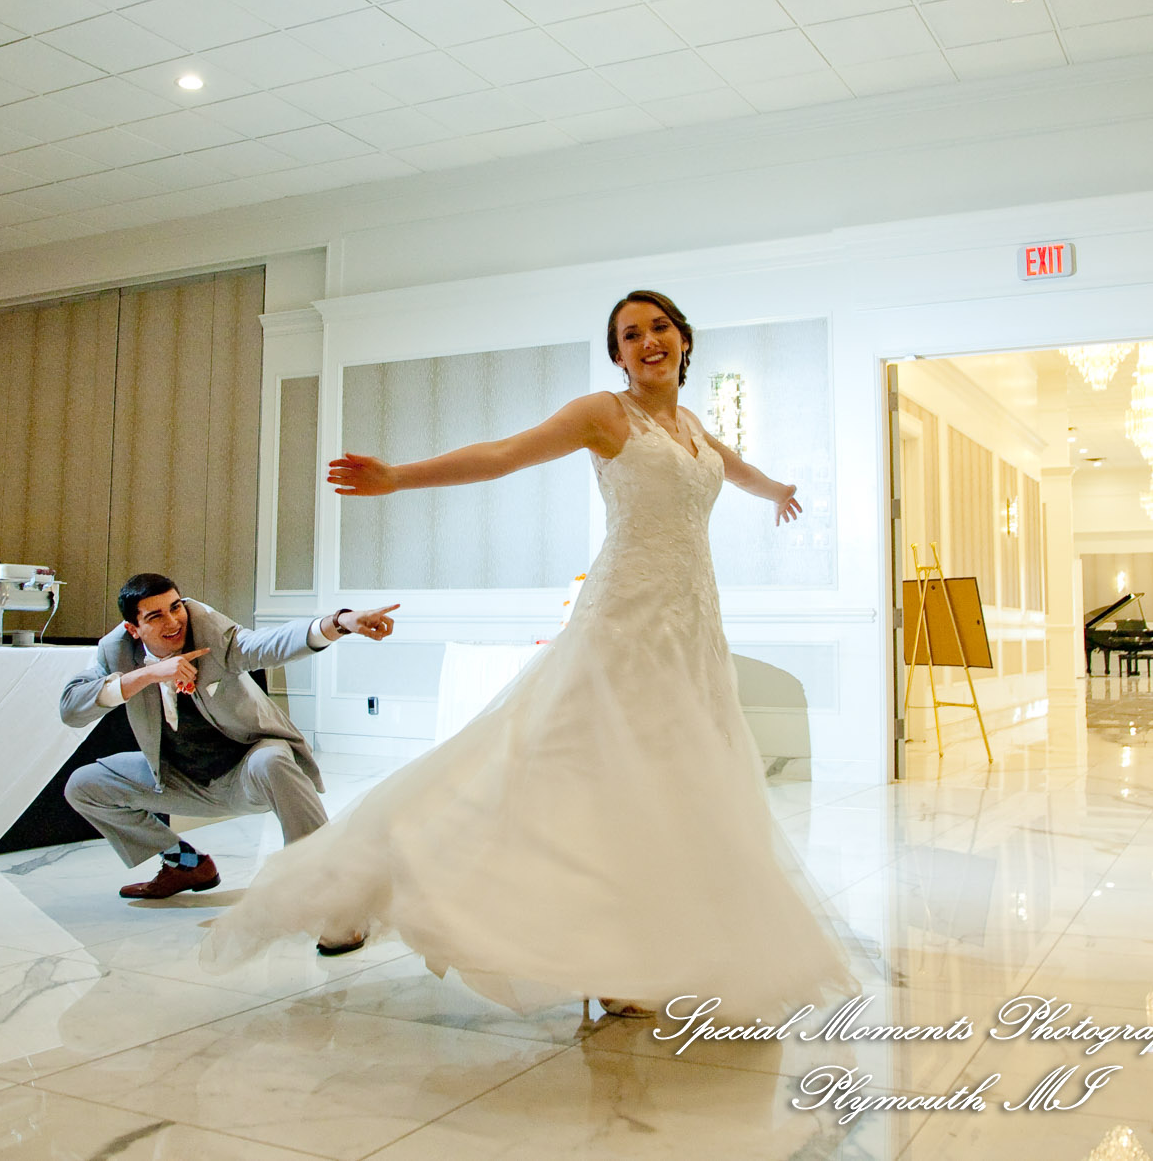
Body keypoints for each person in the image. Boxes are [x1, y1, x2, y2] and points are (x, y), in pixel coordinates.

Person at [207, 291, 851, 1018]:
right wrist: (396, 476)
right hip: (625, 623)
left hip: (692, 631)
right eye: (630, 335)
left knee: (671, 788)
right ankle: (565, 946)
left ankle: (645, 948)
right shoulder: (605, 414)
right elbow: (503, 455)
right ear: (617, 355)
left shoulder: (696, 428)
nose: (649, 342)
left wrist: (779, 491)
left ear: (684, 339)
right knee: (588, 779)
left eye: (660, 328)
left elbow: (732, 469)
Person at [61, 572, 398, 922]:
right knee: (84, 785)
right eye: (155, 616)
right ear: (134, 629)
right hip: (179, 778)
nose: (173, 620)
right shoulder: (114, 651)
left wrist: (339, 622)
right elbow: (71, 708)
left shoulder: (209, 631)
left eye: (176, 607)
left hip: (245, 772)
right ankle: (186, 864)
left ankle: (329, 884)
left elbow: (269, 644)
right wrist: (150, 674)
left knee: (273, 760)